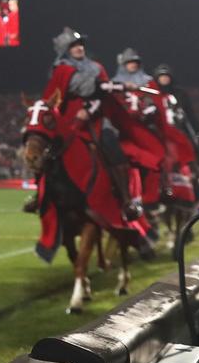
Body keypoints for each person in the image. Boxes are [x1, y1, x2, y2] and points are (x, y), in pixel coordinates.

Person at [44, 28, 142, 221]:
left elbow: (103, 92)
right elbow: (85, 87)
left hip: (96, 118)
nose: (79, 48)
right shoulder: (61, 70)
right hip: (69, 120)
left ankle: (126, 199)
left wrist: (89, 110)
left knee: (113, 148)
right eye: (74, 46)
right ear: (66, 50)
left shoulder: (96, 67)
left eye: (80, 45)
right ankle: (42, 195)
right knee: (48, 151)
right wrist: (122, 85)